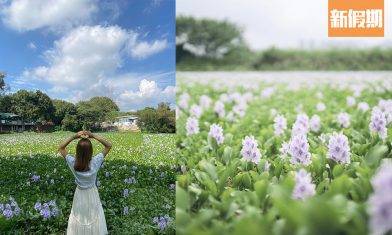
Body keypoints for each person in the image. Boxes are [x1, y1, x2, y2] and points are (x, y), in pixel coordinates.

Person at [58, 131, 112, 235]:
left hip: (79, 194)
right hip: (92, 193)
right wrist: (93, 136)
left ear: (77, 151)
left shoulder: (73, 162)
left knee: (79, 215)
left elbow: (61, 148)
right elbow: (108, 146)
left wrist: (74, 136)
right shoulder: (96, 161)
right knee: (94, 216)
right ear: (91, 151)